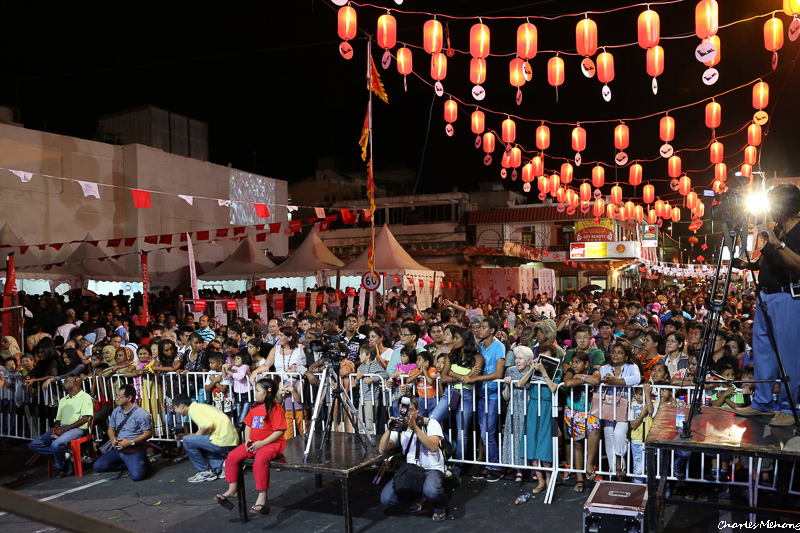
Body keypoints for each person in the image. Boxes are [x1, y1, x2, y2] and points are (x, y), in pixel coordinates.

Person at [215, 378, 286, 515]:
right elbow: (248, 424)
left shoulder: (276, 409)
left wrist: (263, 443)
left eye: (258, 390)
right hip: (254, 443)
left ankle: (262, 495)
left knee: (260, 460)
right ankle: (232, 489)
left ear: (267, 393)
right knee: (232, 456)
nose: (255, 393)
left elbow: (280, 431)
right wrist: (247, 439)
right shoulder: (254, 407)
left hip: (272, 444)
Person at [378, 393, 448, 523]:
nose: (406, 415)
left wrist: (415, 428)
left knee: (432, 491)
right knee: (387, 499)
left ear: (417, 409)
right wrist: (389, 429)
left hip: (432, 468)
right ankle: (416, 496)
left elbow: (433, 446)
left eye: (410, 410)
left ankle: (440, 506)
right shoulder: (400, 426)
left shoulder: (430, 423)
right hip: (412, 469)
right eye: (403, 411)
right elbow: (382, 449)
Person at [27, 375, 94, 478]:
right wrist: (56, 428)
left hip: (78, 429)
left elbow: (85, 419)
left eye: (66, 381)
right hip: (64, 428)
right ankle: (66, 455)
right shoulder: (63, 400)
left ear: (74, 384)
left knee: (56, 445)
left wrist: (64, 429)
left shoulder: (85, 397)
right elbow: (58, 419)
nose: (63, 383)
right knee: (34, 444)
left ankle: (61, 467)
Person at [469, 317, 506, 481]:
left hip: (493, 395)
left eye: (483, 327)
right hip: (480, 394)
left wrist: (476, 379)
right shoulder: (480, 347)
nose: (479, 330)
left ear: (492, 330)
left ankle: (496, 466)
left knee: (487, 433)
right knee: (484, 433)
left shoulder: (499, 346)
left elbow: (498, 373)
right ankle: (489, 465)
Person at [92, 384, 153, 481]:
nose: (117, 398)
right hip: (119, 448)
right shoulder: (116, 411)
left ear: (129, 398)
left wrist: (130, 442)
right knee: (98, 466)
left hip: (134, 448)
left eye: (120, 396)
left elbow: (148, 433)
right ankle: (127, 465)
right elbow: (111, 429)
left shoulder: (141, 414)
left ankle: (144, 464)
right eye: (117, 396)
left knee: (137, 476)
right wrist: (113, 439)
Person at [173, 393, 239, 482]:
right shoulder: (200, 407)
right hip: (230, 439)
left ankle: (205, 472)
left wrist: (193, 437)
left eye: (175, 408)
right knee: (193, 442)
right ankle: (225, 465)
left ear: (181, 406)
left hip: (223, 440)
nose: (176, 411)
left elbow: (208, 425)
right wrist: (193, 436)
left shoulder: (193, 410)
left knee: (187, 441)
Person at [501, 346, 533, 487]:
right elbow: (505, 396)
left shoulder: (533, 372)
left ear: (529, 360)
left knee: (530, 438)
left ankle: (533, 470)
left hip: (530, 410)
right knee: (515, 439)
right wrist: (507, 385)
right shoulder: (510, 371)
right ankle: (518, 470)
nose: (517, 361)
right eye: (516, 358)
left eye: (520, 358)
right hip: (514, 410)